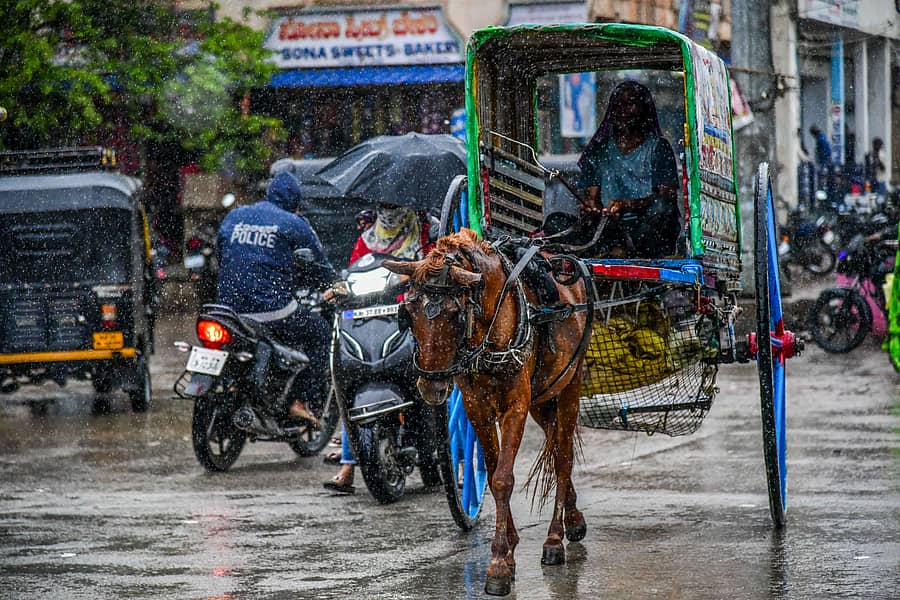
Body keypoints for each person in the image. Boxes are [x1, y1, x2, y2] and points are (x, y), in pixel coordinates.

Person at [323, 202, 437, 494]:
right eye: (383, 206)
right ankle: (349, 465)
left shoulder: (425, 232)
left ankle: (449, 453)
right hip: (371, 318)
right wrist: (338, 289)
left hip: (414, 313)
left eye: (393, 206)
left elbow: (436, 266)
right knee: (348, 384)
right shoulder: (367, 239)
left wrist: (419, 276)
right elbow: (352, 273)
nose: (388, 212)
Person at [216, 171, 336, 423]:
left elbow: (221, 253)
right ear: (295, 202)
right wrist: (336, 284)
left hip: (227, 309)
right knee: (321, 333)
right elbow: (320, 266)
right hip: (269, 311)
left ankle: (236, 385)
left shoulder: (235, 215)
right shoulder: (294, 223)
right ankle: (302, 400)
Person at [575, 80, 680, 258]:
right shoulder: (598, 151)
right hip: (609, 228)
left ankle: (626, 249)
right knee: (555, 222)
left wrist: (628, 205)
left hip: (646, 231)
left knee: (662, 208)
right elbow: (591, 197)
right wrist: (591, 206)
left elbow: (667, 196)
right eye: (618, 104)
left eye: (631, 104)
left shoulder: (658, 148)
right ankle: (615, 248)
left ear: (643, 110)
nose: (623, 110)